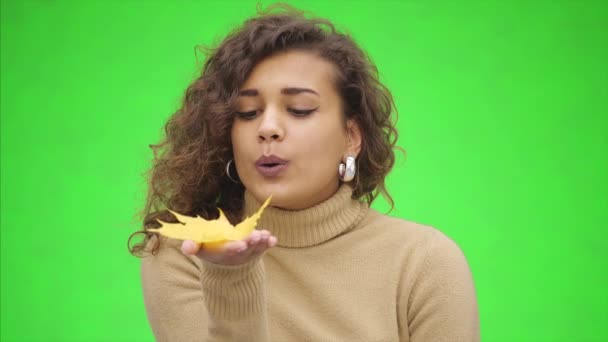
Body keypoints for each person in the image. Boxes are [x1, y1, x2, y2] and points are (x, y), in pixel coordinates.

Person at [129, 4, 479, 341]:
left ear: (351, 137)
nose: (267, 128)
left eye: (299, 110)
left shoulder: (425, 262)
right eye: (248, 113)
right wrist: (231, 278)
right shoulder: (185, 252)